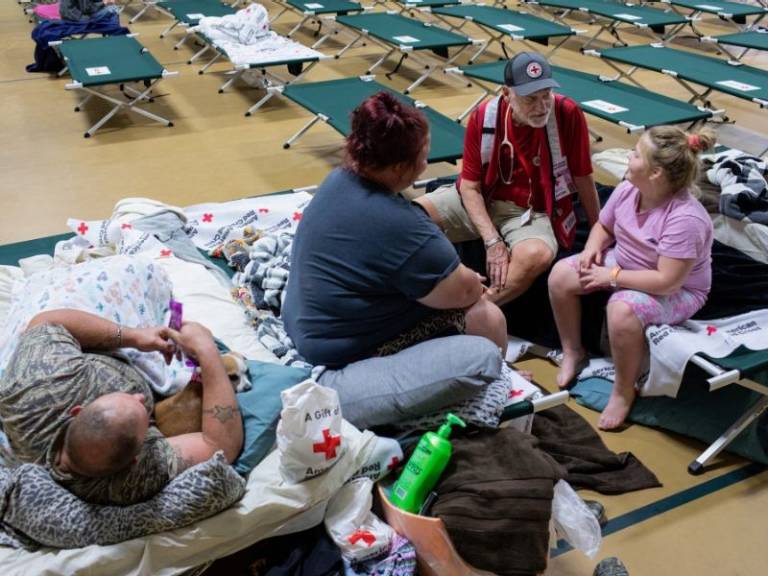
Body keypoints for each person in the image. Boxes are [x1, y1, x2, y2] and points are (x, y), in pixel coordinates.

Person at [283, 91, 507, 369]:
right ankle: (501, 384)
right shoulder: (405, 228)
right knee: (487, 316)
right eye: (424, 157)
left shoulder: (338, 179)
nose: (426, 164)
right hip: (338, 349)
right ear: (401, 168)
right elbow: (466, 293)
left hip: (304, 321)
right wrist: (467, 279)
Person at [548, 126, 716, 430]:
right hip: (626, 264)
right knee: (561, 275)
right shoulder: (628, 189)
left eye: (636, 154)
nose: (628, 155)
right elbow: (605, 226)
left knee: (622, 308)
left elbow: (668, 282)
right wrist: (591, 248)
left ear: (655, 172)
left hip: (676, 289)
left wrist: (611, 276)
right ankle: (573, 350)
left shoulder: (685, 218)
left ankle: (623, 390)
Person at [0, 310, 244, 505]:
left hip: (93, 343)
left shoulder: (37, 382)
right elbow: (221, 445)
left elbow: (46, 320)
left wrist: (132, 336)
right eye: (141, 409)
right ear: (135, 459)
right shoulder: (131, 480)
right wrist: (206, 349)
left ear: (77, 412)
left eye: (125, 397)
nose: (139, 397)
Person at [415, 51, 600, 305]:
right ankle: (424, 291)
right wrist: (493, 242)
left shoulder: (567, 113)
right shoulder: (483, 116)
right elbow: (470, 187)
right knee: (414, 216)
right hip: (484, 198)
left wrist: (599, 232)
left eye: (546, 95)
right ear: (506, 94)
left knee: (537, 255)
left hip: (533, 213)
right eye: (530, 99)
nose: (541, 107)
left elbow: (582, 177)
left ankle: (477, 310)